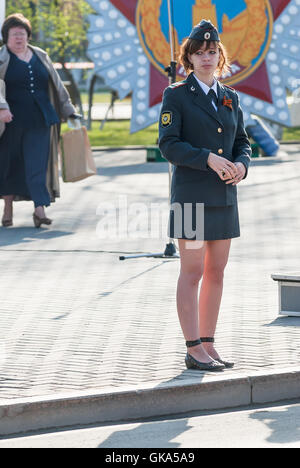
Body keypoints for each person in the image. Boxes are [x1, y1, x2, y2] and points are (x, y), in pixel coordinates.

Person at [159, 20, 251, 372]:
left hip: (224, 198)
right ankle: (192, 346)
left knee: (217, 272)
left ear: (220, 55)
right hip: (191, 199)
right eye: (200, 53)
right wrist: (208, 158)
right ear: (189, 58)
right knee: (193, 270)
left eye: (212, 52)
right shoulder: (177, 95)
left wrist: (242, 164)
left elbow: (242, 142)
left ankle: (209, 343)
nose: (207, 58)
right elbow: (168, 144)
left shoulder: (231, 96)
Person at [0, 13, 79, 228]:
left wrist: (69, 110)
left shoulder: (41, 55)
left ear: (28, 35)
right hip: (10, 122)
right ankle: (8, 208)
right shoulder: (2, 58)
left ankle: (39, 210)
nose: (18, 38)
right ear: (6, 37)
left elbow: (57, 84)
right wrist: (2, 108)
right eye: (14, 34)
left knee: (38, 165)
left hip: (41, 119)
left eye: (22, 33)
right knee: (10, 165)